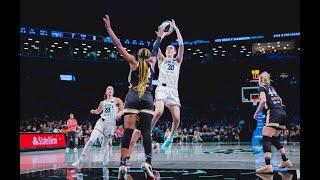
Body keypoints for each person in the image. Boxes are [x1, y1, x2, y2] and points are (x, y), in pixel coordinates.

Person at [103, 14, 167, 179]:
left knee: (128, 132)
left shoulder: (133, 62)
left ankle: (123, 165)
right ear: (148, 58)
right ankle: (147, 162)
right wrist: (160, 35)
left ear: (138, 56)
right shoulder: (152, 63)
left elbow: (118, 45)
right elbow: (155, 47)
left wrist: (109, 28)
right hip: (147, 98)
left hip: (132, 97)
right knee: (146, 132)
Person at [72, 86, 124, 167]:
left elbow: (123, 109)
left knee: (104, 145)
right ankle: (80, 160)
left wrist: (120, 113)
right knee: (91, 140)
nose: (110, 90)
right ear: (106, 92)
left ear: (113, 92)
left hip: (110, 125)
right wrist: (94, 111)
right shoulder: (102, 102)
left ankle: (105, 158)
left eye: (111, 89)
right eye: (108, 89)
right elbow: (98, 111)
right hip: (101, 122)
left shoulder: (117, 100)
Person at [253, 71, 292, 173]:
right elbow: (280, 100)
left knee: (266, 138)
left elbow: (263, 101)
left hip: (274, 113)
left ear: (261, 80)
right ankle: (285, 161)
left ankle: (267, 165)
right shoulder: (272, 88)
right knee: (273, 138)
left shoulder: (262, 87)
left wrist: (256, 113)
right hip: (282, 113)